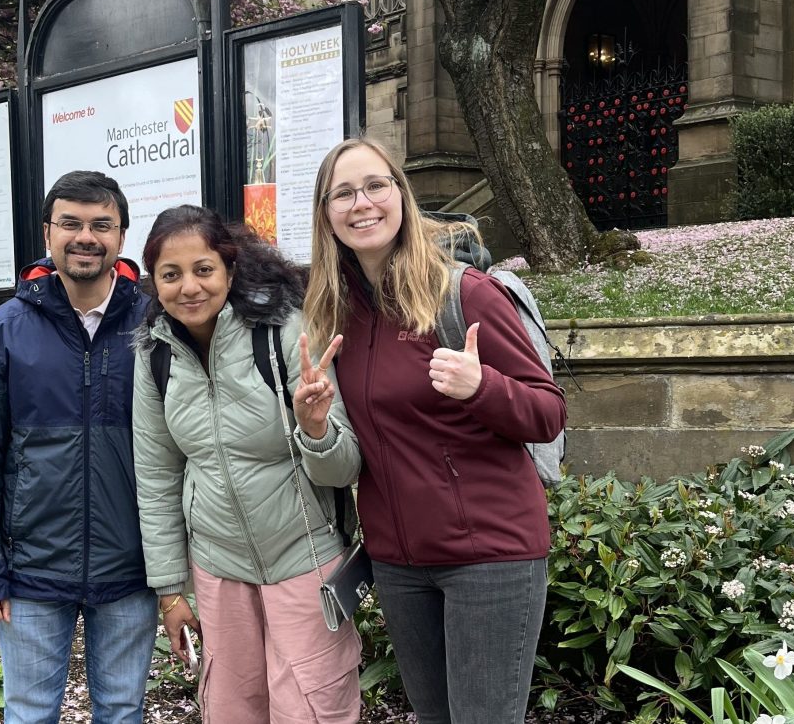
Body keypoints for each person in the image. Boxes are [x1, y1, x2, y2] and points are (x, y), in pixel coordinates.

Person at [303, 139, 567, 724]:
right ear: (325, 213)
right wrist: (316, 422)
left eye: (375, 185)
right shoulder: (337, 314)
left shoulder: (463, 292)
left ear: (401, 193)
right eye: (342, 193)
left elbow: (547, 413)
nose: (361, 203)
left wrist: (482, 388)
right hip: (400, 564)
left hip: (489, 556)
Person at [131, 204, 364, 724]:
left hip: (305, 555)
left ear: (229, 270)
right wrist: (170, 591)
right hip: (218, 566)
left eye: (203, 270)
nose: (188, 287)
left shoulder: (285, 332)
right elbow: (156, 476)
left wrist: (315, 427)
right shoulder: (155, 355)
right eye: (170, 275)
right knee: (232, 709)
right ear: (154, 282)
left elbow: (344, 470)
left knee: (310, 708)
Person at [0, 171, 157, 724]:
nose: (85, 236)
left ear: (120, 238)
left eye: (101, 225)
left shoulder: (153, 326)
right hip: (31, 571)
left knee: (122, 711)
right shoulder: (3, 329)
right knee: (29, 713)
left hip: (130, 567)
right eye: (70, 223)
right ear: (48, 233)